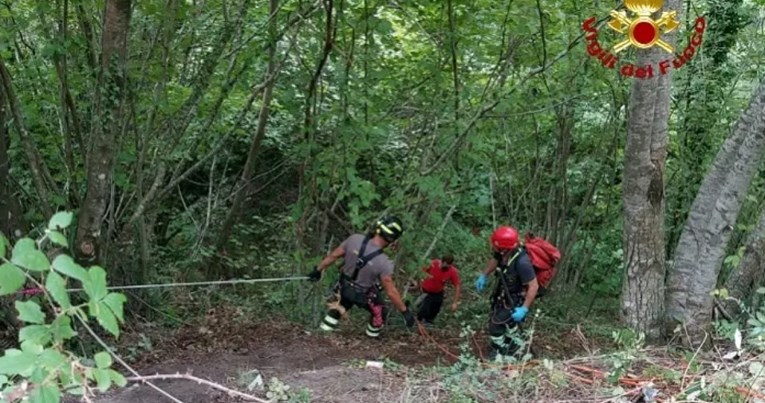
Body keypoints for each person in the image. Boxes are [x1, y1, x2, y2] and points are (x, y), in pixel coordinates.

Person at [307, 215, 415, 338]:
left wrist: (318, 270)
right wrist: (405, 311)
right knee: (380, 311)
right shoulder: (384, 262)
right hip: (362, 294)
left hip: (344, 287)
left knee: (342, 303)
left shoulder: (354, 239)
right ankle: (371, 338)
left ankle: (322, 333)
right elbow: (391, 291)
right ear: (392, 238)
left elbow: (333, 256)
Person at [475, 225, 539, 361]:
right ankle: (513, 344)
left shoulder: (522, 263)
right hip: (503, 294)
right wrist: (484, 275)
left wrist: (524, 309)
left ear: (504, 247)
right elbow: (495, 260)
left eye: (495, 245)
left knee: (495, 325)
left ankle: (499, 349)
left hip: (515, 298)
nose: (493, 247)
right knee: (509, 323)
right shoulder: (503, 253)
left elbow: (533, 286)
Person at [416, 254, 461, 325]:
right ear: (442, 262)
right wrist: (419, 284)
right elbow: (421, 271)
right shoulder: (433, 263)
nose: (445, 267)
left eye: (448, 266)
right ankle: (418, 321)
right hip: (426, 290)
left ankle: (429, 321)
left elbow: (457, 286)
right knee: (425, 308)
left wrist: (455, 302)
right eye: (444, 265)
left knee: (436, 307)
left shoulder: (452, 271)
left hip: (438, 291)